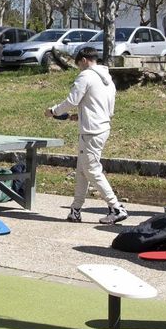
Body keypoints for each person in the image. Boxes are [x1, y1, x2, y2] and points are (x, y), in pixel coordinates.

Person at [47, 46, 127, 224]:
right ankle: (75, 210)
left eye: (79, 65)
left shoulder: (86, 76)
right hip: (102, 126)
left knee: (91, 170)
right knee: (83, 170)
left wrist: (53, 111)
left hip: (91, 130)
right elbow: (104, 105)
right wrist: (82, 115)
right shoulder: (107, 78)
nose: (79, 69)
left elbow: (72, 101)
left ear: (83, 60)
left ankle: (116, 207)